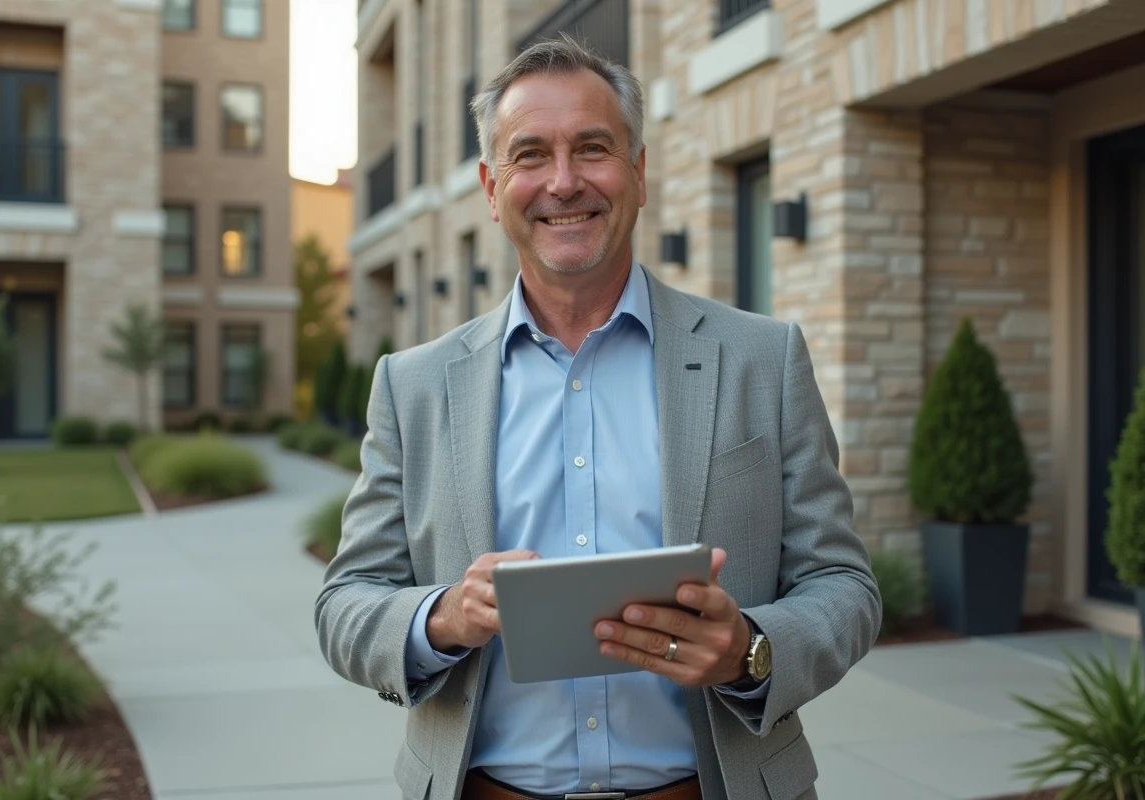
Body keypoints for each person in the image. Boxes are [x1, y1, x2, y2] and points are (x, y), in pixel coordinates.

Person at [315, 35, 880, 800]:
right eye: (529, 155)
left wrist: (751, 650)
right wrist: (441, 616)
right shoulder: (413, 386)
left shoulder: (762, 359)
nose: (564, 181)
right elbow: (346, 603)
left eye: (592, 148)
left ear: (639, 174)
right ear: (490, 186)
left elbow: (844, 585)